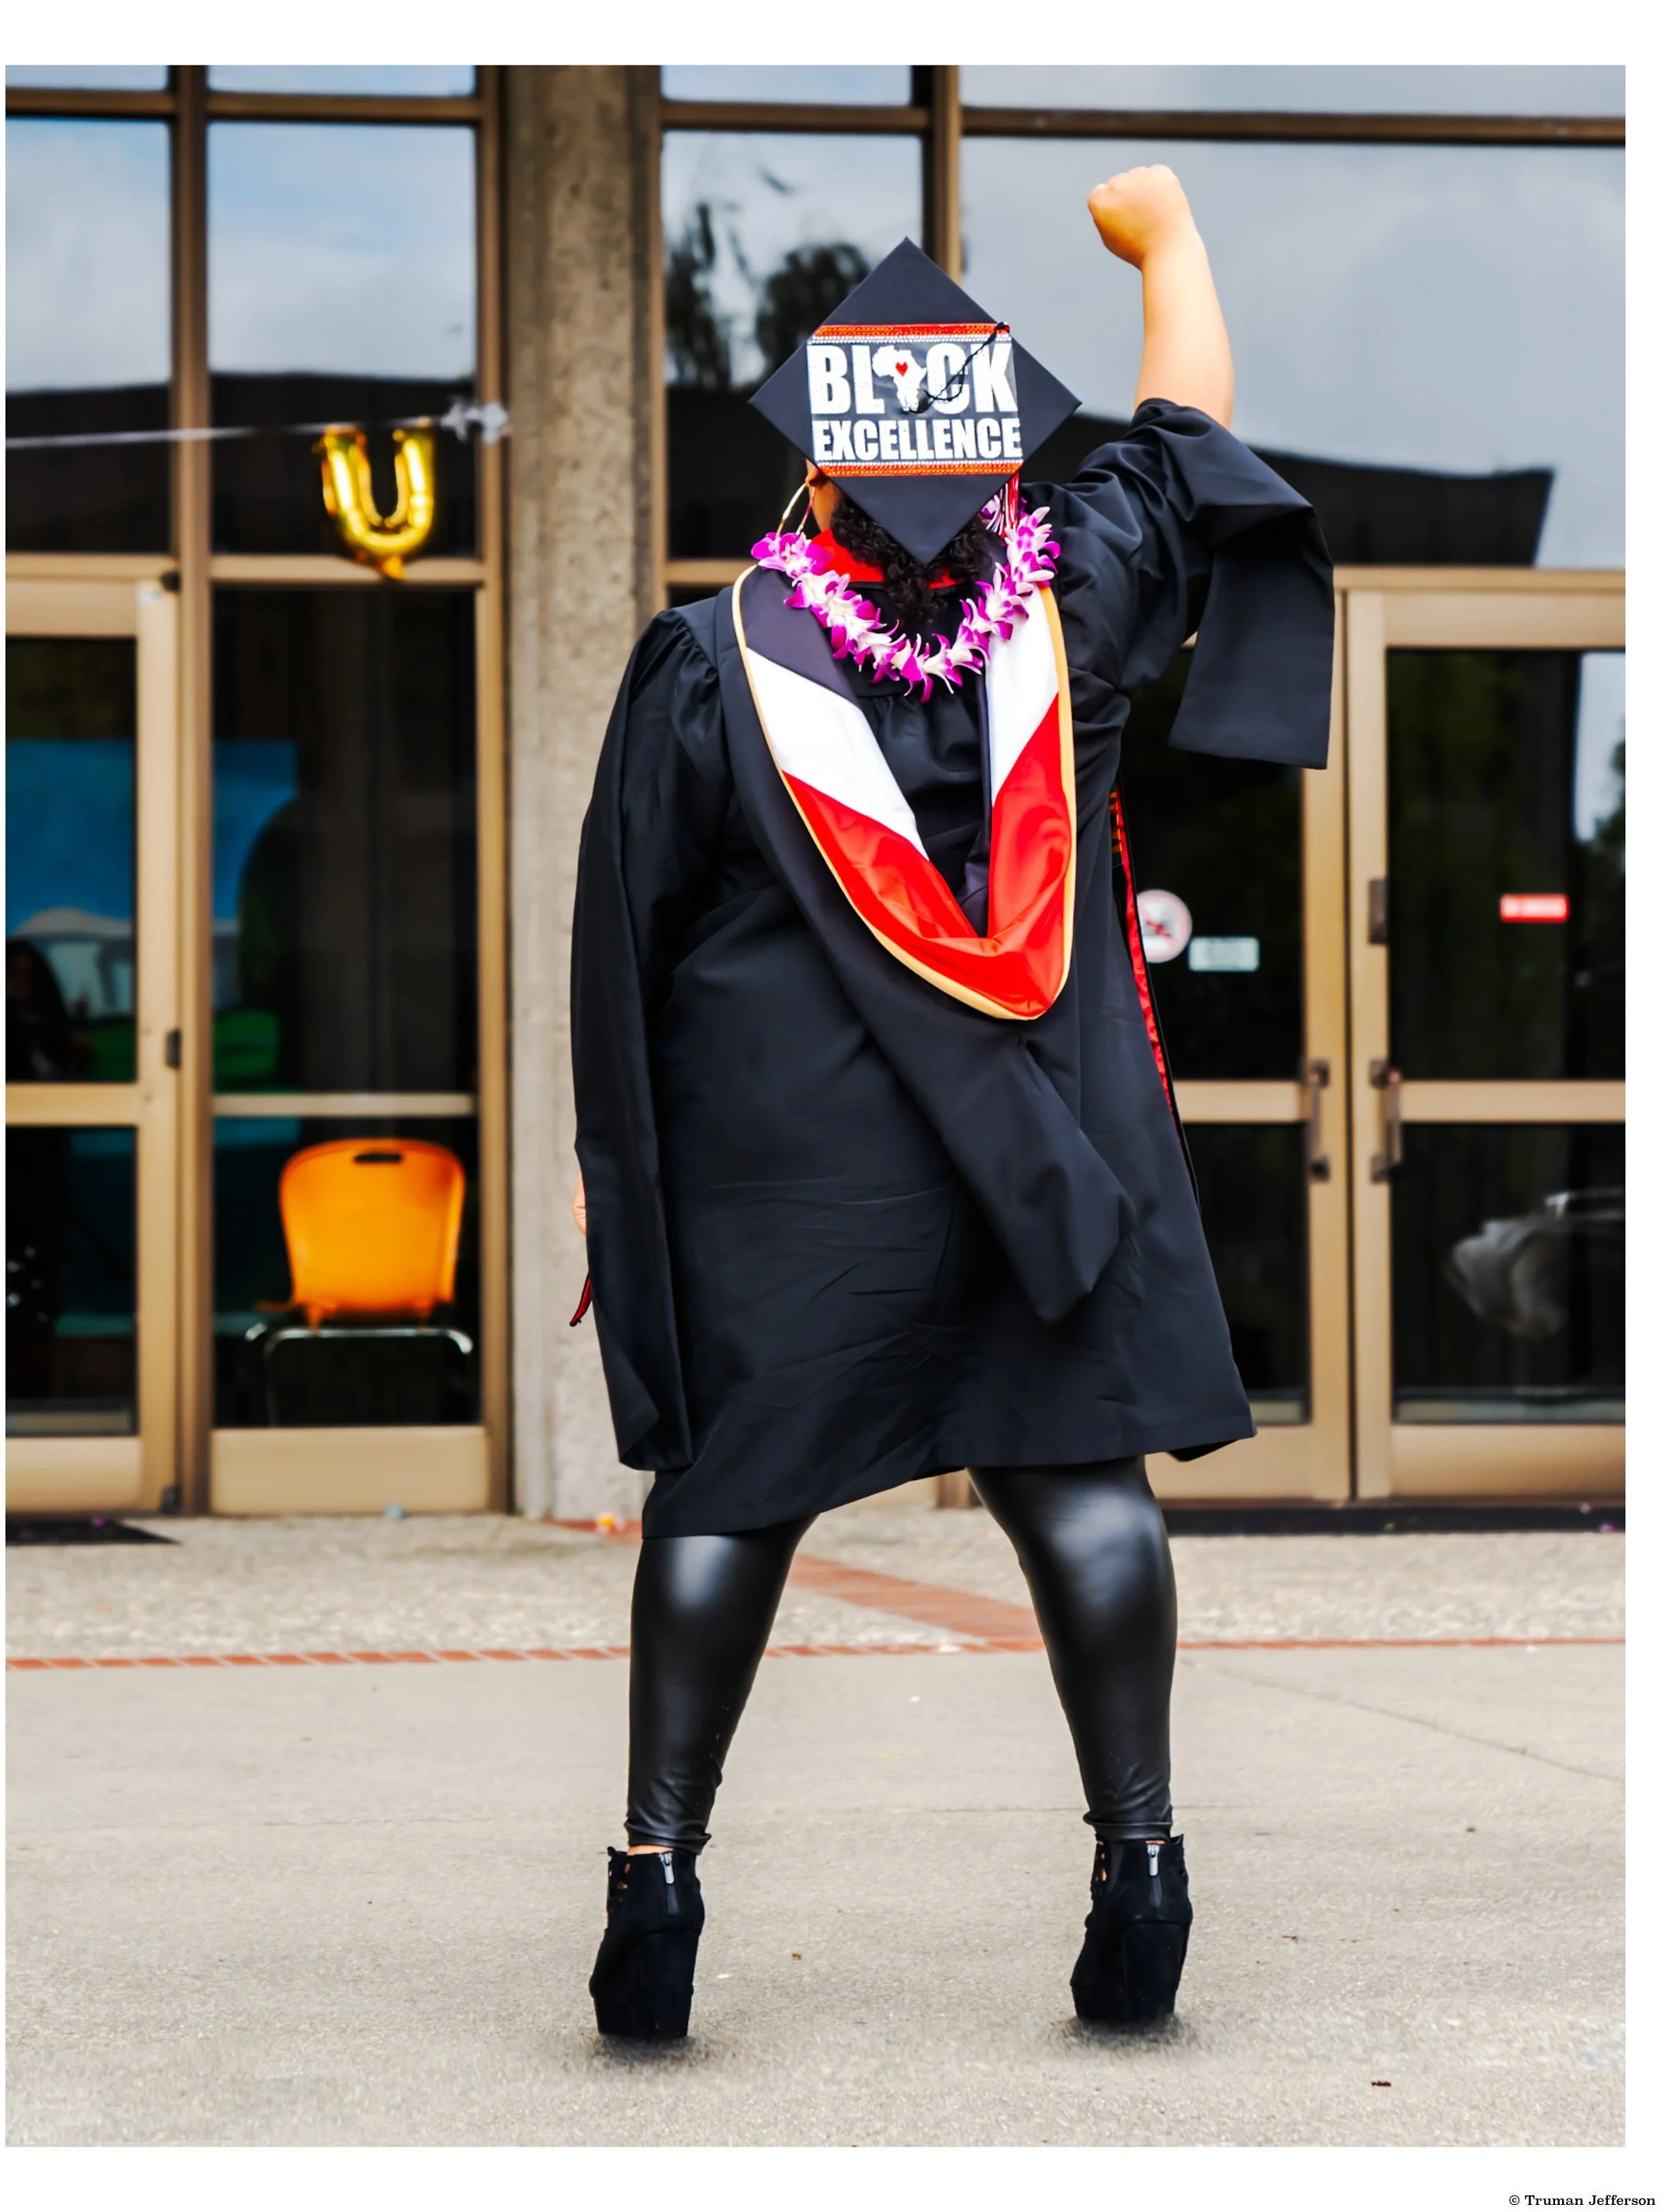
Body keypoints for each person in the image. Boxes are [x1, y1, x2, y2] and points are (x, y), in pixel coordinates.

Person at [571, 167, 1333, 2040]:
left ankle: (656, 1888)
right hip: (1037, 1166)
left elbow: (625, 947)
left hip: (786, 1187)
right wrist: (1169, 246)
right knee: (1077, 1488)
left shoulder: (710, 665)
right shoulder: (1067, 617)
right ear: (999, 475)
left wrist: (620, 1180)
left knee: (729, 1503)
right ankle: (1141, 1875)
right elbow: (1184, 428)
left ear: (816, 475)